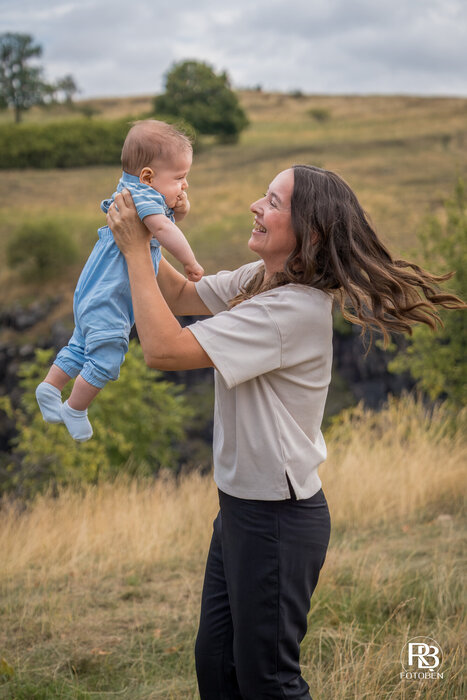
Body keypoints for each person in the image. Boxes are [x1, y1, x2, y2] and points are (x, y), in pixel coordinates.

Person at [105, 164, 463, 699]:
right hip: (241, 507)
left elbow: (162, 349)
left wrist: (136, 250)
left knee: (268, 680)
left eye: (272, 201)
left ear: (310, 233)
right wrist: (146, 224)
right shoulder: (262, 280)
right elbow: (179, 295)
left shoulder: (290, 311)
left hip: (276, 519)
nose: (255, 205)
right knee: (218, 665)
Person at [35, 120, 203, 442]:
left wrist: (180, 207)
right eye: (179, 178)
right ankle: (75, 408)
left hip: (92, 289)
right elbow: (164, 230)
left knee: (81, 344)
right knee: (107, 355)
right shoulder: (144, 198)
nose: (185, 185)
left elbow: (168, 220)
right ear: (148, 176)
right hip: (110, 296)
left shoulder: (133, 192)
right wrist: (189, 262)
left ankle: (50, 386)